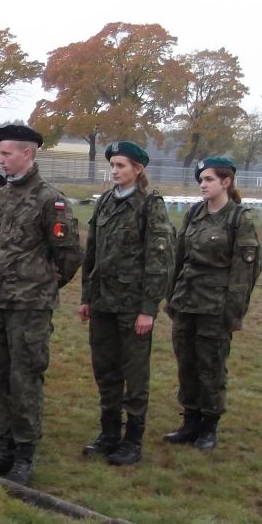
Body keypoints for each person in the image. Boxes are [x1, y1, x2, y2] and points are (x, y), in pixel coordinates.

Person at [0, 123, 83, 485]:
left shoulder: (49, 199)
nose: (1, 160)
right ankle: (5, 445)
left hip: (30, 306)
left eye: (6, 153)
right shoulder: (3, 197)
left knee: (24, 378)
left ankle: (25, 452)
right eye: (0, 154)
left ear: (27, 154)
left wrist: (46, 283)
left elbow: (69, 253)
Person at [78, 141, 175, 466]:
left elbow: (159, 260)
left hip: (132, 306)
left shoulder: (149, 205)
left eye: (121, 165)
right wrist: (86, 297)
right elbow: (92, 253)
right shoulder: (105, 201)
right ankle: (109, 433)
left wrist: (148, 308)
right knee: (105, 369)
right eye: (113, 165)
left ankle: (132, 440)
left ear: (138, 169)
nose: (115, 171)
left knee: (134, 374)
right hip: (103, 302)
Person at [164, 155, 262, 452]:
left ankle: (209, 425)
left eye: (209, 179)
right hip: (186, 301)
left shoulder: (238, 219)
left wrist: (234, 313)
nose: (203, 185)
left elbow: (245, 272)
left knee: (211, 366)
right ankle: (190, 420)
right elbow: (178, 258)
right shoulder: (194, 213)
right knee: (187, 364)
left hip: (215, 306)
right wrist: (171, 297)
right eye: (201, 180)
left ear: (226, 181)